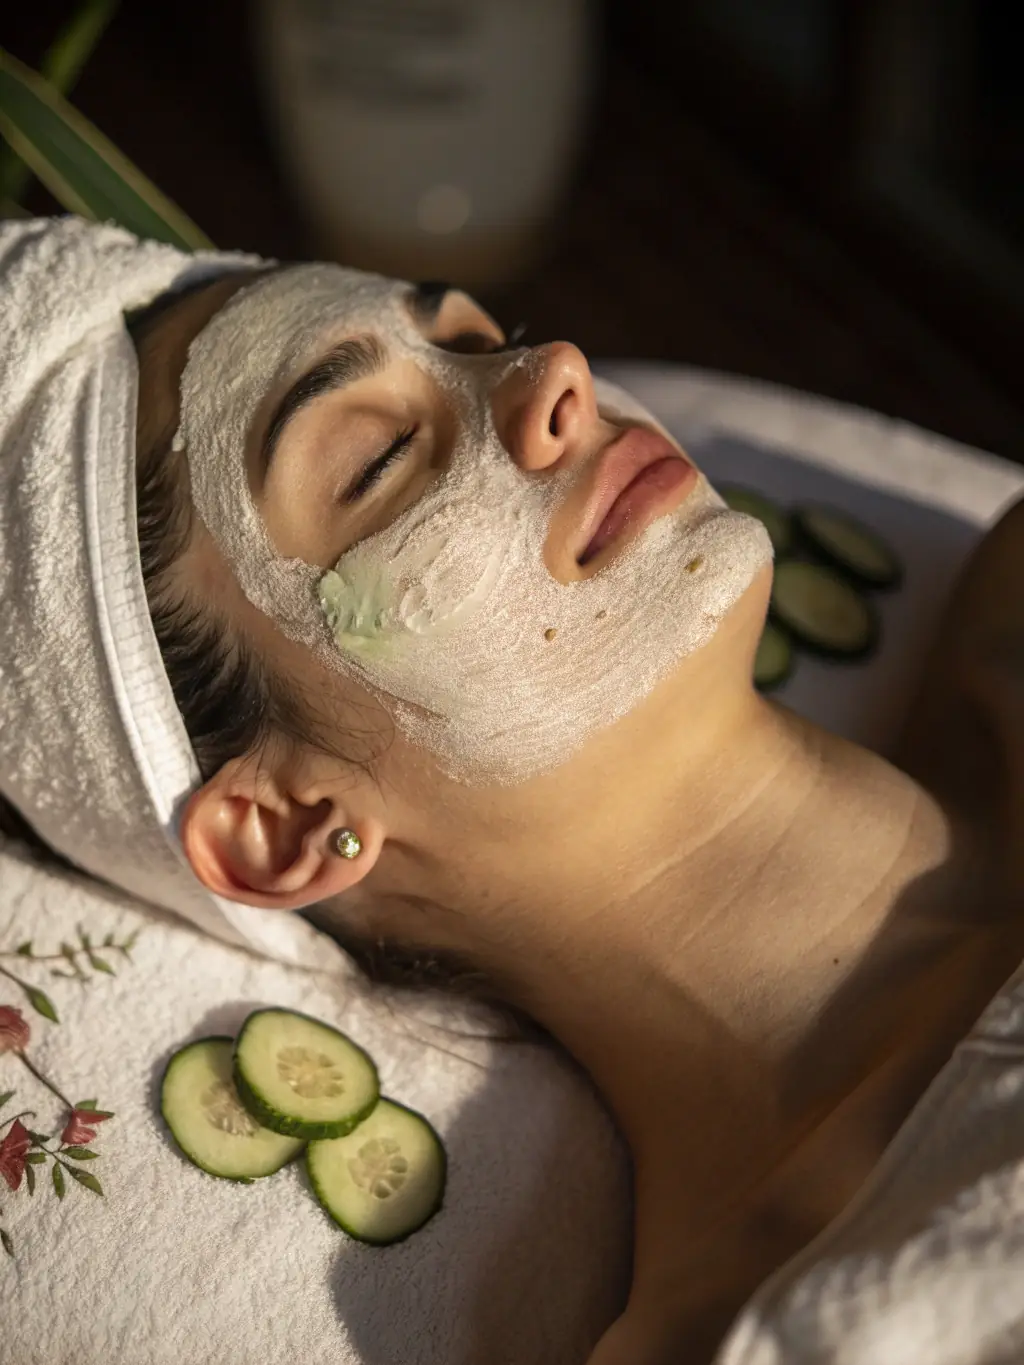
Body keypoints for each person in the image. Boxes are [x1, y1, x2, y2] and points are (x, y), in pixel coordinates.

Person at [3, 216, 1024, 1365]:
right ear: (289, 825)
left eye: (483, 343)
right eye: (380, 461)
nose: (556, 373)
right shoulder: (817, 1322)